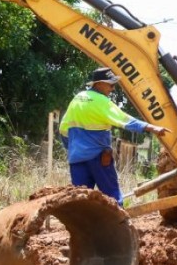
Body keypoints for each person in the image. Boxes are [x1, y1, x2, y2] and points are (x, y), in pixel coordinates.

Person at [59, 67, 166, 205]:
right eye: (110, 84)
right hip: (98, 158)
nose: (112, 88)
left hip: (77, 160)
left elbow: (63, 129)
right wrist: (152, 127)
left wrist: (73, 149)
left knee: (80, 202)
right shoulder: (101, 101)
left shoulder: (77, 99)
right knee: (113, 198)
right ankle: (119, 225)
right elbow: (125, 120)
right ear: (98, 84)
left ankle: (84, 226)